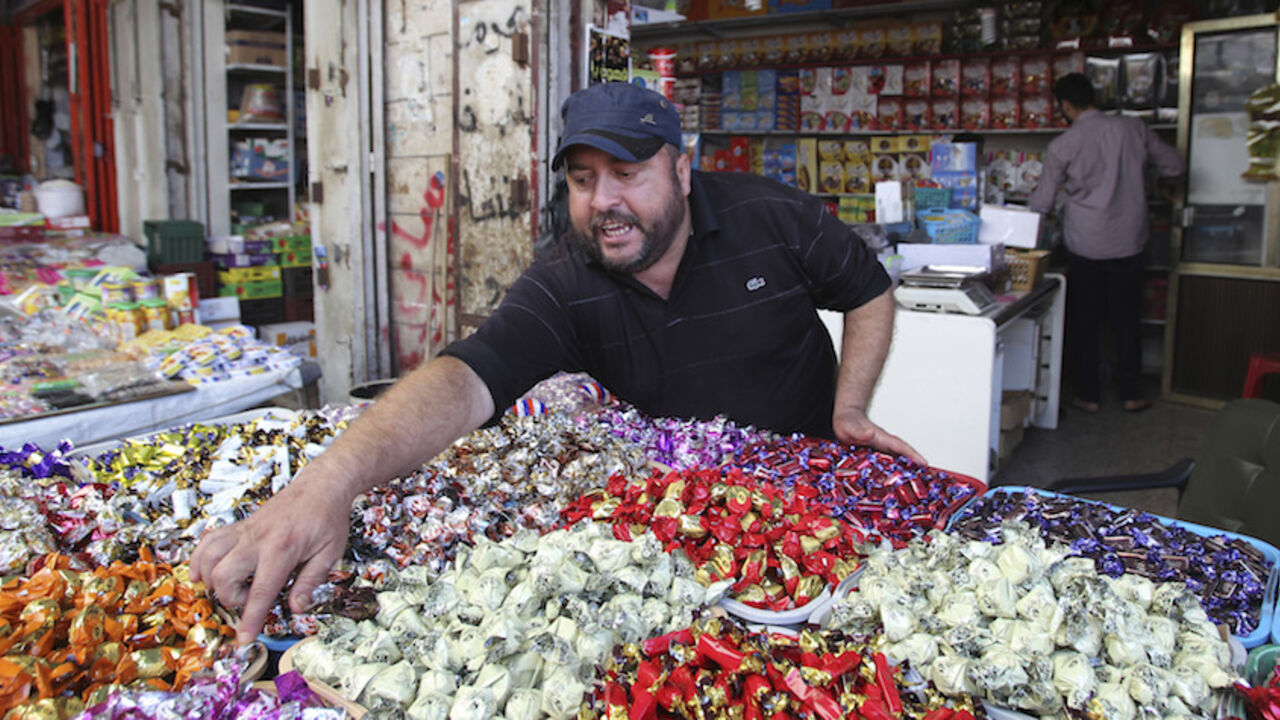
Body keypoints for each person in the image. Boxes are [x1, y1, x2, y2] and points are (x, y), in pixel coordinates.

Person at [193, 82, 919, 644]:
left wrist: (849, 410)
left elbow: (868, 292)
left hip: (810, 502)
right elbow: (468, 376)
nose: (603, 201)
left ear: (682, 171)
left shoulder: (774, 219)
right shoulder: (567, 281)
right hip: (691, 526)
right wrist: (325, 485)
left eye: (627, 172)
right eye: (580, 178)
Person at [1029, 73, 1185, 414]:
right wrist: (1157, 182)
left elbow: (1041, 203)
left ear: (1065, 106)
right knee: (1128, 320)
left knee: (1086, 322)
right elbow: (1175, 165)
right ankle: (1131, 393)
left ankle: (1090, 395)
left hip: (1086, 245)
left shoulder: (1063, 145)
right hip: (1130, 242)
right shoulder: (1133, 129)